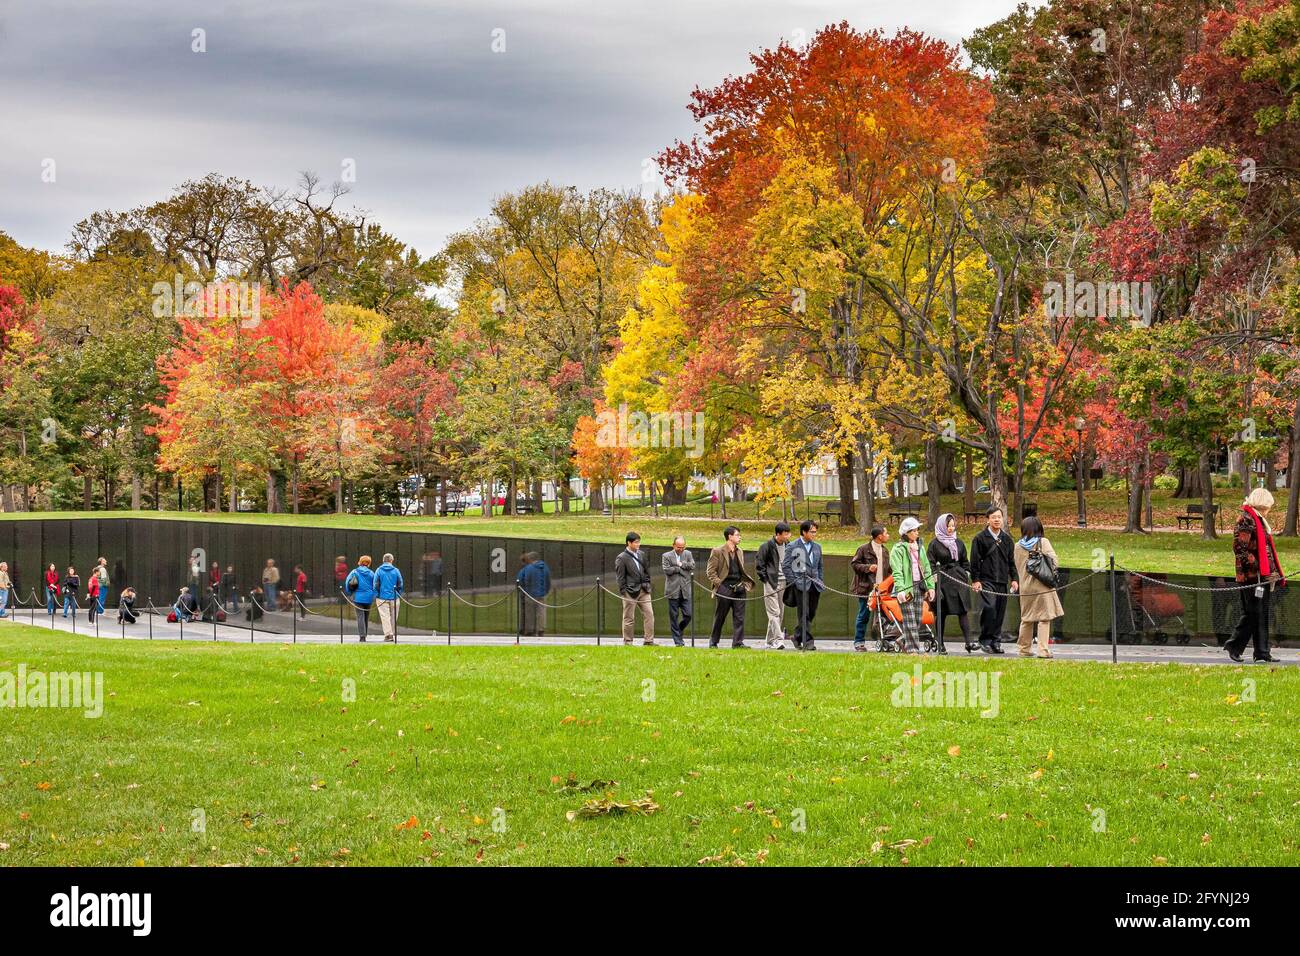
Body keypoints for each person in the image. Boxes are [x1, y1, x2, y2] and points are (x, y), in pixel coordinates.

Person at [1226, 487, 1284, 663]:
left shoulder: (1256, 518)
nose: (1270, 509)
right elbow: (1240, 549)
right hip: (1251, 577)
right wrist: (1258, 567)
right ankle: (1234, 646)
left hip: (1262, 576)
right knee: (1253, 613)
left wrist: (1270, 570)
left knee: (1262, 613)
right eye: (1268, 505)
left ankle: (1262, 652)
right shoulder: (1246, 519)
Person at [969, 505, 1018, 655]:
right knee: (989, 608)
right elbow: (974, 561)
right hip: (986, 580)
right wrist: (976, 580)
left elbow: (1011, 562)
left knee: (999, 612)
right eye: (993, 517)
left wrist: (1014, 579)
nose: (997, 520)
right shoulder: (980, 538)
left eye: (999, 517)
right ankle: (985, 640)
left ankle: (996, 642)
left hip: (1002, 581)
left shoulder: (1007, 540)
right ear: (988, 519)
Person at [1013, 515, 1063, 658]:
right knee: (1044, 618)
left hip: (1025, 587)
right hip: (1042, 586)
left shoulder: (1017, 546)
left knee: (1027, 618)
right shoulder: (1043, 542)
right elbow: (1054, 561)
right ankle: (1043, 650)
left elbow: (1017, 566)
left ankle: (1024, 649)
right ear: (1039, 528)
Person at [889, 517, 935, 653]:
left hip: (919, 587)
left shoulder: (920, 548)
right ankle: (913, 650)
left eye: (917, 530)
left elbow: (926, 568)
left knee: (917, 620)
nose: (917, 533)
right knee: (909, 620)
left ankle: (903, 640)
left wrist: (931, 586)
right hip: (906, 588)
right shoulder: (898, 549)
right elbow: (897, 571)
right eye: (914, 530)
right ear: (906, 533)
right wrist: (901, 589)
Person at [928, 513, 972, 654]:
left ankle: (969, 642)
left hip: (958, 580)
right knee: (941, 613)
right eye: (948, 526)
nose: (951, 528)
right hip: (943, 581)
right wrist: (935, 580)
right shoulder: (934, 544)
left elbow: (965, 560)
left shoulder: (958, 542)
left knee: (962, 611)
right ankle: (940, 643)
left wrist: (966, 573)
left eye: (953, 525)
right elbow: (930, 563)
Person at [706, 526, 755, 648]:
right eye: (737, 535)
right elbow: (710, 572)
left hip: (739, 588)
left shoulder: (740, 551)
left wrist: (744, 585)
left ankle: (738, 643)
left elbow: (741, 570)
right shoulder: (718, 551)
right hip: (724, 588)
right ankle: (713, 641)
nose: (740, 537)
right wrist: (720, 586)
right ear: (730, 536)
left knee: (739, 617)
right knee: (720, 616)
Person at [781, 520, 825, 651]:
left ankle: (797, 635)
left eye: (815, 532)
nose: (814, 534)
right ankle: (808, 641)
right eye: (812, 531)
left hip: (815, 584)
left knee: (811, 612)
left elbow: (820, 566)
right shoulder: (793, 546)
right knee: (803, 613)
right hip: (800, 585)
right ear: (804, 532)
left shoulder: (817, 546)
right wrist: (793, 581)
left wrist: (820, 580)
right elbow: (786, 565)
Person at [851, 525, 891, 651]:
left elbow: (888, 569)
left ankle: (883, 640)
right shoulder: (863, 549)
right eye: (886, 533)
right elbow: (855, 564)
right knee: (864, 614)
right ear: (880, 536)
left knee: (883, 616)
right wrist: (868, 567)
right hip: (866, 588)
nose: (888, 535)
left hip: (882, 589)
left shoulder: (885, 551)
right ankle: (859, 642)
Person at [755, 522, 791, 650]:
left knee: (779, 613)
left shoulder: (789, 546)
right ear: (778, 534)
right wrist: (765, 579)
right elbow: (760, 564)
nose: (788, 535)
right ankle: (779, 640)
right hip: (771, 582)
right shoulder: (766, 546)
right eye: (785, 533)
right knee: (774, 612)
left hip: (784, 583)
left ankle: (769, 641)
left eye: (788, 533)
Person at [614, 532, 655, 645]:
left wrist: (647, 583)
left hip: (644, 589)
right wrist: (623, 591)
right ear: (629, 543)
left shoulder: (641, 554)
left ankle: (649, 640)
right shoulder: (622, 558)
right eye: (636, 542)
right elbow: (620, 577)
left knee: (649, 614)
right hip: (629, 591)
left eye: (639, 542)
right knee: (629, 618)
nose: (638, 544)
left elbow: (647, 571)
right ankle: (628, 641)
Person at [660, 537, 694, 646]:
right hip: (672, 591)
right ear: (673, 545)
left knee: (688, 615)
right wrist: (679, 569)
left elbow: (692, 565)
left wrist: (681, 564)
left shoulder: (688, 554)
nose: (681, 549)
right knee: (674, 616)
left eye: (683, 547)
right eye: (679, 547)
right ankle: (678, 641)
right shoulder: (666, 556)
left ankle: (678, 631)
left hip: (685, 590)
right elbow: (667, 570)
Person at [516, 553, 552, 637]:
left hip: (530, 594)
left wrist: (525, 591)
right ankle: (541, 630)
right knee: (541, 612)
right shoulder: (545, 567)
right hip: (542, 594)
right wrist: (545, 591)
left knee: (529, 613)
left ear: (530, 559)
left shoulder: (528, 568)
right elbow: (548, 580)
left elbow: (523, 580)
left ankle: (530, 630)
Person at [344, 555, 376, 641]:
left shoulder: (354, 572)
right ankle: (365, 634)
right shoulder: (371, 573)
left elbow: (348, 583)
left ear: (360, 562)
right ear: (369, 563)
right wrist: (374, 595)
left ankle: (362, 636)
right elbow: (375, 585)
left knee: (360, 617)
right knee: (366, 616)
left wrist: (350, 593)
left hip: (358, 597)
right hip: (369, 598)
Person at [373, 553, 404, 642]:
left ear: (383, 560)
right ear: (391, 560)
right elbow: (400, 583)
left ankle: (388, 634)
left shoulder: (379, 570)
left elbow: (375, 584)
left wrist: (377, 594)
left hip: (382, 597)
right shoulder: (396, 570)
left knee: (385, 616)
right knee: (394, 616)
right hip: (394, 597)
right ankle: (391, 633)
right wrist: (398, 593)